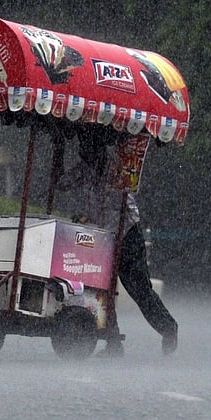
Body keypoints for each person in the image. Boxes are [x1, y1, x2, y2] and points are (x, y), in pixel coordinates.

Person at [58, 128, 178, 357]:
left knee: (139, 289)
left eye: (88, 149)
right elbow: (62, 184)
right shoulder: (86, 169)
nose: (85, 153)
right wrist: (60, 153)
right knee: (101, 289)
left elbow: (116, 203)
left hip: (128, 234)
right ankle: (113, 343)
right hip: (104, 238)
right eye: (83, 150)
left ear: (99, 149)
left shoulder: (119, 167)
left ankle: (168, 328)